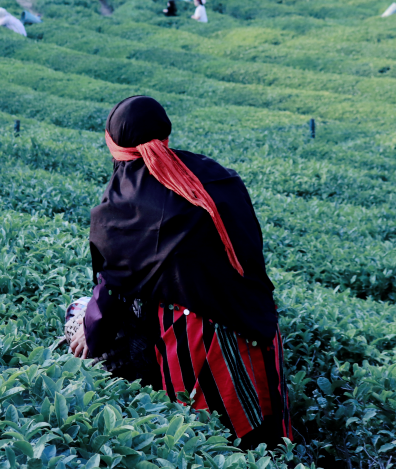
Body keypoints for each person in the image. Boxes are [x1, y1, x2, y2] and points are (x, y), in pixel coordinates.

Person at [69, 96, 292, 448]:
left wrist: (90, 330)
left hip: (199, 338)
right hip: (256, 322)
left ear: (117, 148)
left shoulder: (124, 206)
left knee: (212, 442)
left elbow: (115, 281)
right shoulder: (217, 176)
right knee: (266, 437)